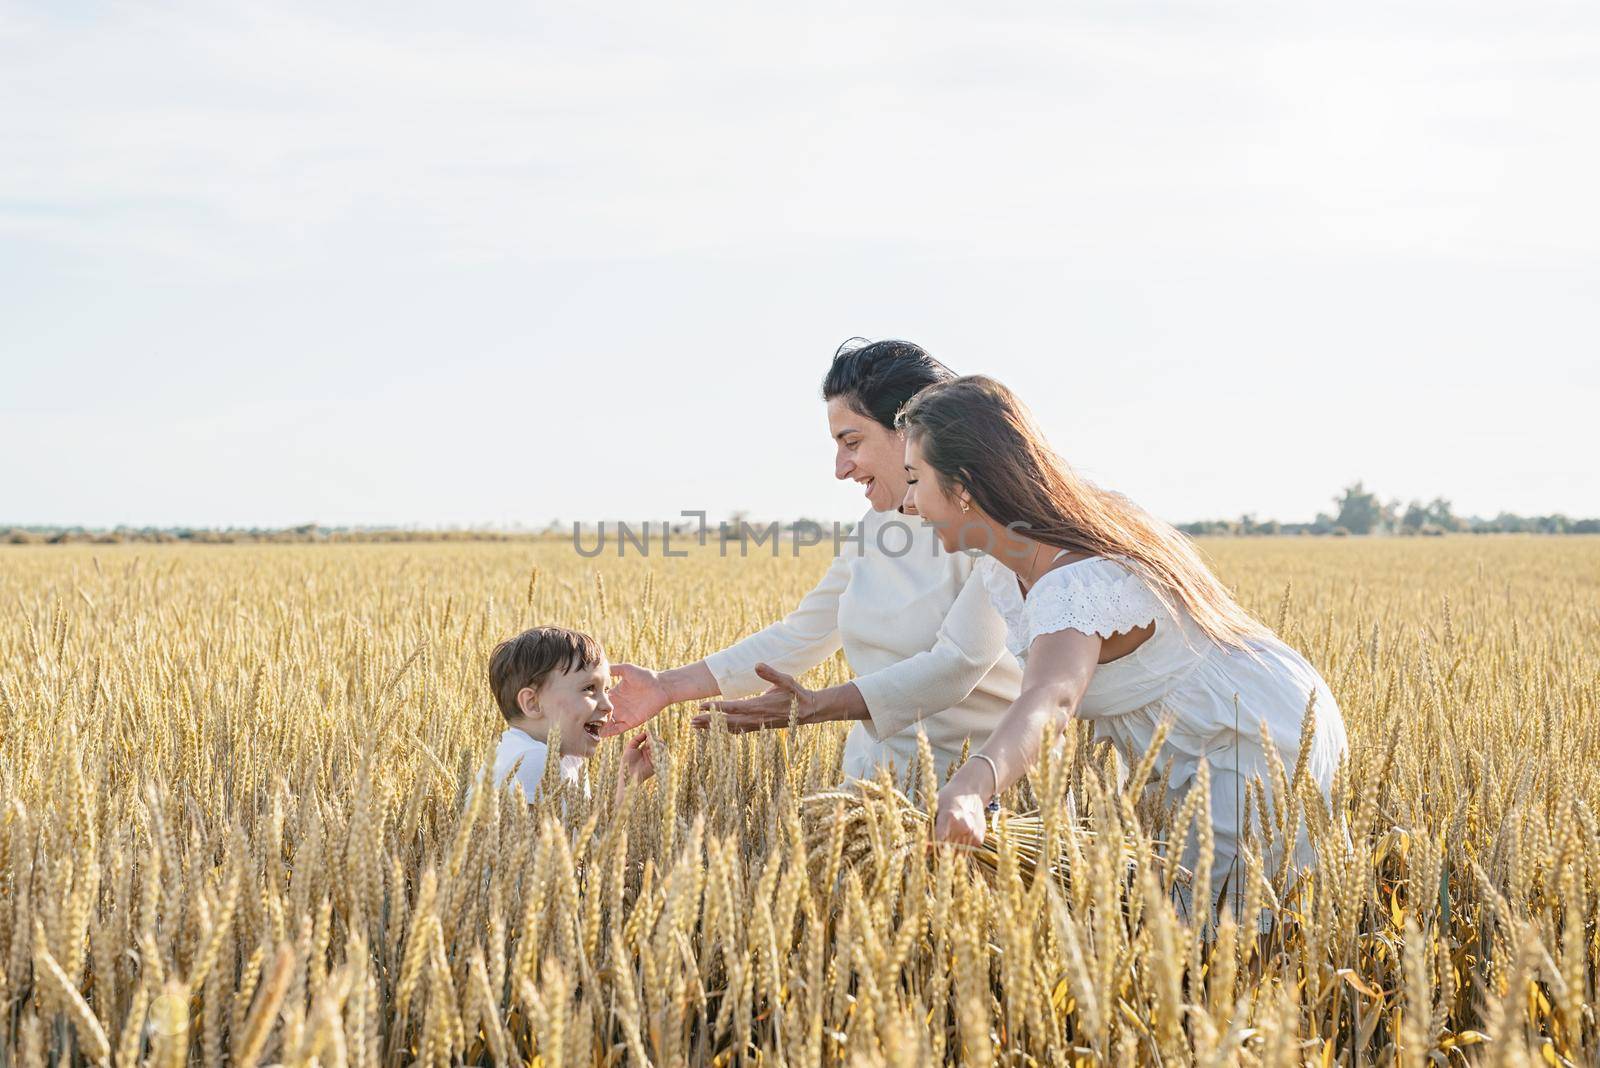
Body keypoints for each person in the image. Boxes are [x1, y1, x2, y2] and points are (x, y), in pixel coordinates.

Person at [897, 375, 1349, 899]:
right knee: (1189, 931)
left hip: (1251, 736)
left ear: (963, 486)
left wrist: (972, 787)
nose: (907, 504)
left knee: (1215, 934)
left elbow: (1052, 699)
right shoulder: (1008, 571)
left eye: (914, 479)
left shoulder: (1071, 583)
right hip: (1207, 735)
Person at [603, 339, 1023, 784]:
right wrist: (667, 686)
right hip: (871, 795)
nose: (841, 468)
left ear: (912, 432)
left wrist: (813, 708)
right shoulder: (877, 525)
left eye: (852, 442)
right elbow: (804, 632)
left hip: (981, 801)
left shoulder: (994, 530)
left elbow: (957, 664)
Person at [487, 625, 655, 806]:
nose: (608, 705)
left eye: (606, 690)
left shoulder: (568, 757)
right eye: (589, 689)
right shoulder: (533, 760)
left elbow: (582, 832)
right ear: (532, 703)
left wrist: (628, 783)